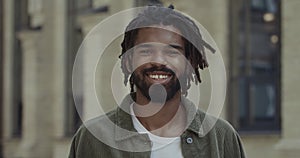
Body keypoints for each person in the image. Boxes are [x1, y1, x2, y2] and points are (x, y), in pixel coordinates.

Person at [69, 5, 246, 158]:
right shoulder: (92, 138)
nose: (159, 61)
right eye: (146, 51)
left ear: (189, 63)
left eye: (172, 52)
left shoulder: (221, 136)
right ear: (128, 61)